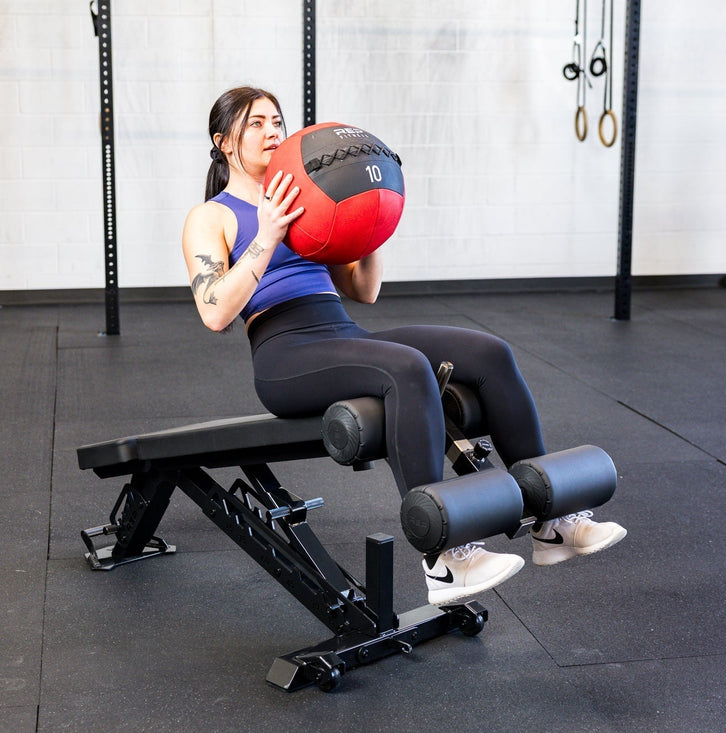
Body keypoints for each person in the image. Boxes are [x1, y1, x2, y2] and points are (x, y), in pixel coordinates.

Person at [181, 86, 625, 605]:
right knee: (406, 369)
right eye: (255, 123)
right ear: (223, 141)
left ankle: (551, 522)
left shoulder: (305, 197)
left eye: (276, 121)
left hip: (340, 332)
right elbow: (215, 313)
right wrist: (269, 232)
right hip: (284, 354)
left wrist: (372, 221)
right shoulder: (212, 217)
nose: (271, 131)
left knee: (489, 355)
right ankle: (446, 560)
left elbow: (363, 290)